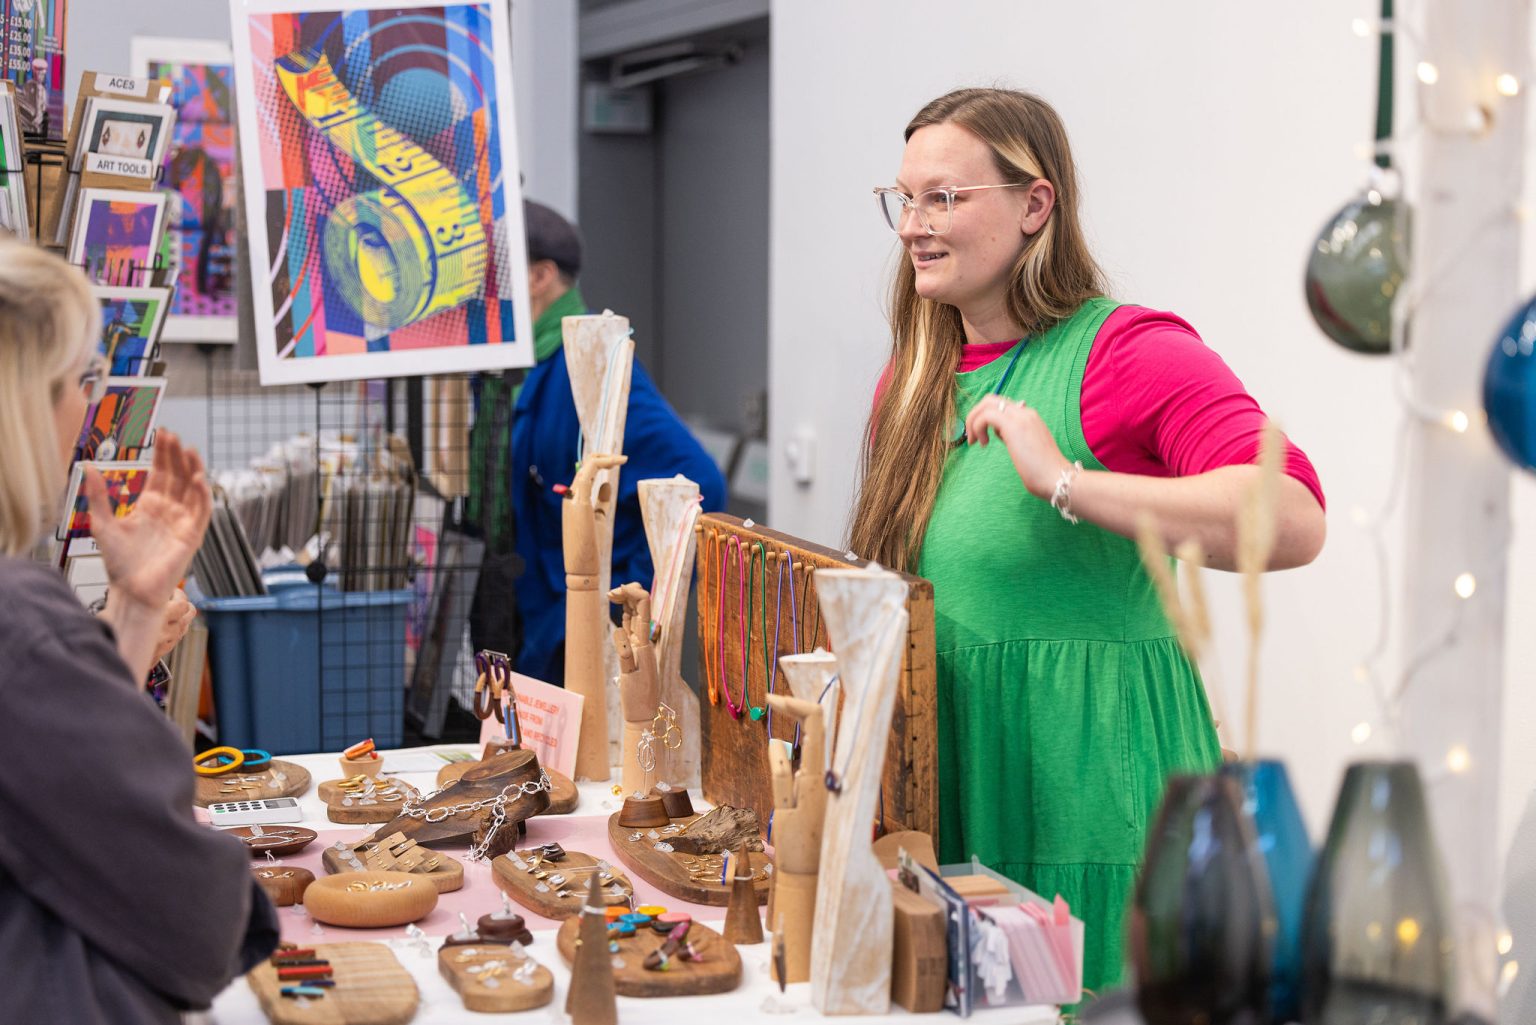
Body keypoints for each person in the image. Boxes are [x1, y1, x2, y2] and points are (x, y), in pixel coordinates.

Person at [850, 89, 1327, 994]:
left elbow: (1293, 518)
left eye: (944, 198)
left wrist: (1063, 479)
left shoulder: (1124, 351)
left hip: (1089, 792)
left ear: (1036, 206)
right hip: (955, 773)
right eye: (904, 199)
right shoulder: (910, 380)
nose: (914, 224)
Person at [0, 239, 277, 1023]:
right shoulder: (18, 621)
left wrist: (132, 608)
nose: (88, 406)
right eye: (84, 379)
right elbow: (197, 915)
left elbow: (49, 785)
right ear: (26, 399)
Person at [469, 201, 727, 683]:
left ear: (537, 277)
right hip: (526, 622)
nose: (473, 289)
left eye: (487, 270)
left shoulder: (586, 369)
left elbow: (699, 484)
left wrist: (620, 607)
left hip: (570, 635)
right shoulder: (516, 369)